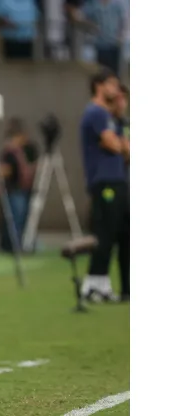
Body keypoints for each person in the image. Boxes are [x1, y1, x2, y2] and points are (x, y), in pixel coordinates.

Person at [79, 68, 129, 302]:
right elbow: (114, 146)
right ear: (99, 86)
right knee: (105, 233)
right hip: (104, 181)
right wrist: (120, 143)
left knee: (122, 234)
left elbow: (126, 151)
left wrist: (121, 116)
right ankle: (94, 283)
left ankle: (114, 286)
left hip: (119, 180)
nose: (117, 90)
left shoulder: (112, 119)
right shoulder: (96, 113)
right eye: (112, 85)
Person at [0, 117, 36, 252]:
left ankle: (23, 242)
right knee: (14, 218)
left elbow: (34, 165)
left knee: (24, 217)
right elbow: (3, 170)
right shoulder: (9, 152)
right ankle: (13, 244)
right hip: (14, 189)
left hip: (26, 188)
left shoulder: (29, 149)